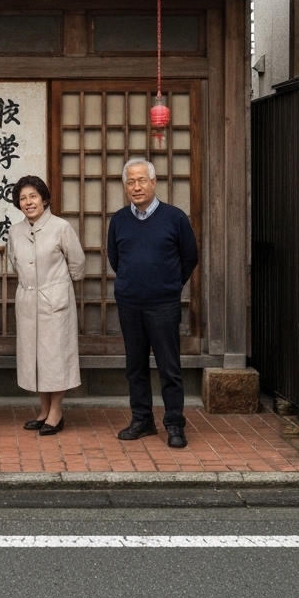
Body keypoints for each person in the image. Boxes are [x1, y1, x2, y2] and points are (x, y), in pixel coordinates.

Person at [107, 158, 198, 448]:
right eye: (130, 182)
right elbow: (115, 258)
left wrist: (169, 285)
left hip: (164, 305)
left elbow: (189, 257)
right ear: (125, 186)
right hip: (130, 303)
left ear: (154, 182)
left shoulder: (175, 217)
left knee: (169, 367)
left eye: (141, 180)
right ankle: (142, 420)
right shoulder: (119, 219)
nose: (136, 187)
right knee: (135, 366)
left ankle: (174, 424)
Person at [7, 175, 85, 435]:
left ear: (44, 199)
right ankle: (43, 409)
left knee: (56, 357)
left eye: (33, 196)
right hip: (28, 301)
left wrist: (58, 287)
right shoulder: (15, 231)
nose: (28, 202)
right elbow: (13, 262)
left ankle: (56, 411)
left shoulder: (61, 227)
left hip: (55, 301)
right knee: (35, 358)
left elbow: (78, 265)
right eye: (23, 198)